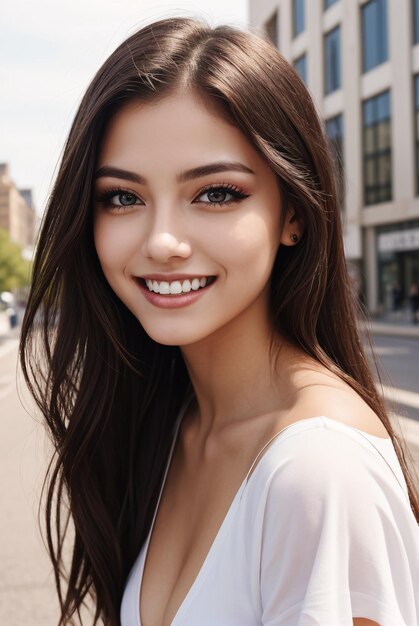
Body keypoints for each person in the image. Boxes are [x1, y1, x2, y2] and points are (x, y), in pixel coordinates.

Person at [19, 17, 419, 626]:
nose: (162, 242)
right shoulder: (175, 418)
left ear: (295, 215)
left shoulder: (318, 473)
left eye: (215, 193)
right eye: (123, 197)